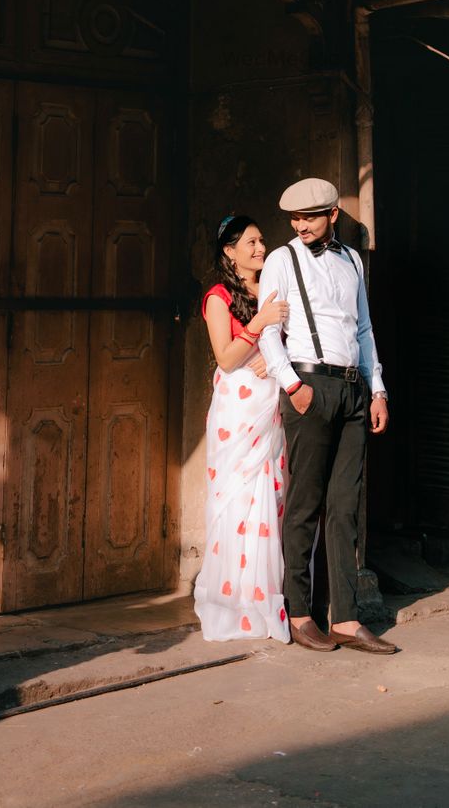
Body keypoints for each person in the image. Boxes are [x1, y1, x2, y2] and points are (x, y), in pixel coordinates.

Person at [257, 179, 396, 656]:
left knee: (345, 505)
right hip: (308, 385)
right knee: (304, 504)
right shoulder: (282, 258)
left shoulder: (353, 259)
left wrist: (376, 389)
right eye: (295, 219)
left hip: (353, 387)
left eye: (310, 217)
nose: (301, 226)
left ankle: (346, 619)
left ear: (333, 214)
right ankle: (299, 614)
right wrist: (291, 385)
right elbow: (268, 329)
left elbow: (363, 327)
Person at [193, 214, 291, 643]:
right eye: (250, 243)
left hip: (269, 406)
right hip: (237, 412)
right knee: (236, 500)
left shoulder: (269, 290)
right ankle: (232, 601)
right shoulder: (218, 297)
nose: (260, 248)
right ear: (229, 251)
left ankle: (264, 594)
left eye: (261, 240)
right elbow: (227, 358)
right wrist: (259, 322)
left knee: (270, 496)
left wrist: (273, 356)